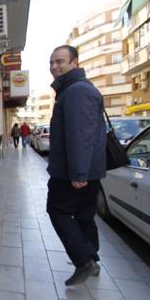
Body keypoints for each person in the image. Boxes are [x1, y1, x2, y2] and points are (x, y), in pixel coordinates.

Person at [46, 45, 106, 286]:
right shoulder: (75, 90)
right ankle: (92, 259)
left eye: (60, 61)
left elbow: (81, 135)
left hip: (72, 172)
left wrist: (78, 172)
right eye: (51, 63)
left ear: (75, 63)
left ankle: (84, 262)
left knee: (58, 211)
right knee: (83, 216)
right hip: (85, 171)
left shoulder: (75, 91)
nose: (54, 67)